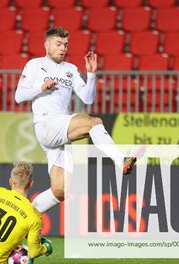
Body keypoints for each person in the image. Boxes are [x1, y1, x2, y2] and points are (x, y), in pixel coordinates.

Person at [15, 27, 140, 213]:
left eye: (65, 44)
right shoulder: (35, 64)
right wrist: (40, 88)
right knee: (94, 123)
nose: (62, 48)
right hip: (47, 124)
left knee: (60, 190)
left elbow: (88, 98)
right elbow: (19, 95)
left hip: (60, 130)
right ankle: (121, 160)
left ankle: (21, 220)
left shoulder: (70, 70)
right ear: (47, 45)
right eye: (58, 44)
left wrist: (91, 75)